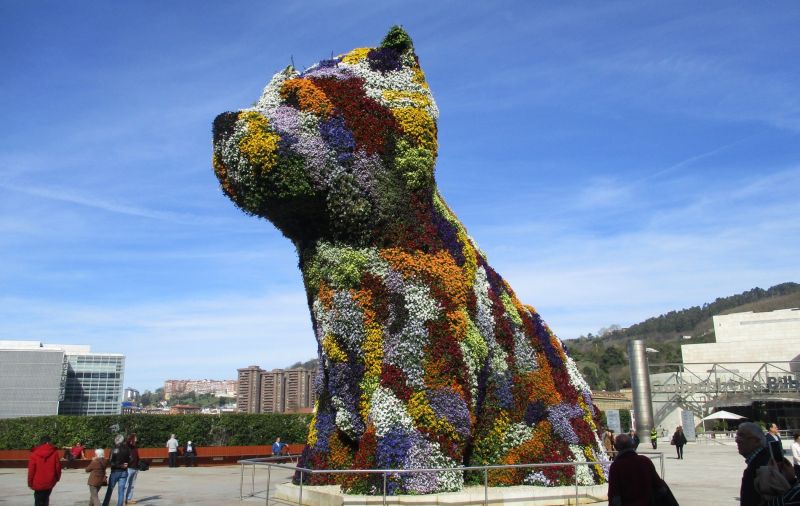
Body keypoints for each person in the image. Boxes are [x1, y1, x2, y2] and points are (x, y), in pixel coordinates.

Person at [607, 433, 675, 506]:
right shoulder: (645, 461)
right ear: (632, 445)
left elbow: (614, 495)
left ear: (616, 447)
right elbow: (660, 488)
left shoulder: (616, 466)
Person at [737, 421, 771, 506]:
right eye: (737, 435)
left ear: (756, 441)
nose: (737, 440)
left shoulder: (759, 468)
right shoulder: (767, 457)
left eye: (742, 436)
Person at [27, 435, 62, 506]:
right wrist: (57, 478)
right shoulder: (54, 452)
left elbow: (31, 470)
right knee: (46, 499)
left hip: (38, 482)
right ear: (48, 442)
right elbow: (58, 467)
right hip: (50, 481)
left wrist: (30, 483)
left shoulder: (35, 453)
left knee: (38, 501)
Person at [102, 434, 130, 506]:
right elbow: (131, 459)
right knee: (121, 492)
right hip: (124, 472)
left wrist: (120, 465)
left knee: (110, 490)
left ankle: (105, 505)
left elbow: (111, 462)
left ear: (116, 440)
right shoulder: (127, 449)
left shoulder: (114, 449)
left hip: (115, 472)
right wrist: (126, 464)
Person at [124, 433, 140, 504]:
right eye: (135, 437)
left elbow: (137, 457)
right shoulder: (128, 446)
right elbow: (127, 441)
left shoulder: (135, 447)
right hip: (129, 468)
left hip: (135, 468)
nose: (137, 439)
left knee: (132, 485)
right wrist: (131, 436)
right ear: (132, 439)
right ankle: (123, 499)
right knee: (126, 485)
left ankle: (129, 499)